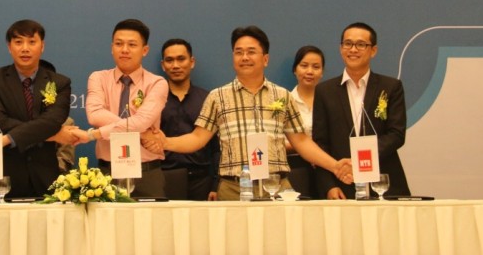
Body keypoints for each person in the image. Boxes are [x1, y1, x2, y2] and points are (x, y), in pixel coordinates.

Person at [143, 26, 351, 200]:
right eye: (238, 52)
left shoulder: (282, 96)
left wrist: (335, 166)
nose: (244, 57)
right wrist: (165, 142)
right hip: (233, 189)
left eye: (251, 52)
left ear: (265, 59)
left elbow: (302, 142)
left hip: (276, 188)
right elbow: (197, 138)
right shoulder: (217, 96)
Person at [0, 19, 86, 198]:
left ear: (42, 46)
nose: (25, 48)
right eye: (18, 42)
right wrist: (53, 136)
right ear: (9, 47)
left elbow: (52, 121)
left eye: (32, 42)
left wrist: (10, 138)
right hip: (5, 177)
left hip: (46, 178)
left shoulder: (60, 82)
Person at [312, 22, 410, 199]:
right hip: (342, 182)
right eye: (348, 44)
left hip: (383, 182)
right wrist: (328, 185)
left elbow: (396, 134)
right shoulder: (324, 91)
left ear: (373, 50)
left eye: (361, 44)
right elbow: (320, 143)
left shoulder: (390, 87)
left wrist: (359, 159)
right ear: (341, 48)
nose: (353, 49)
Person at [85, 19, 169, 198]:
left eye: (132, 44)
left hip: (147, 174)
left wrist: (97, 133)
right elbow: (94, 115)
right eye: (118, 44)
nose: (124, 49)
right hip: (107, 174)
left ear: (145, 50)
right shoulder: (98, 78)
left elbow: (142, 121)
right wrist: (141, 132)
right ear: (112, 47)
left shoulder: (157, 83)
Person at [159, 39, 218, 201]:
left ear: (192, 62)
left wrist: (215, 184)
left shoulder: (208, 99)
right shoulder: (153, 101)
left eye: (181, 59)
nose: (175, 65)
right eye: (169, 60)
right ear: (163, 65)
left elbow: (217, 147)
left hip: (201, 181)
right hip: (163, 179)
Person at [285, 45, 324, 197]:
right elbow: (276, 144)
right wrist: (305, 147)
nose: (309, 71)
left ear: (322, 72)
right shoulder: (283, 102)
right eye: (304, 65)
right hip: (295, 169)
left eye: (316, 67)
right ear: (295, 70)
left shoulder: (330, 101)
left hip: (325, 168)